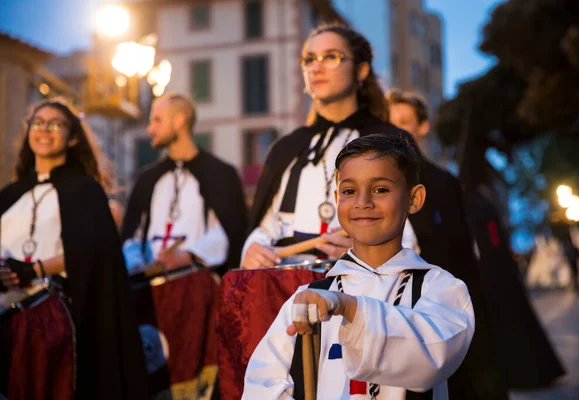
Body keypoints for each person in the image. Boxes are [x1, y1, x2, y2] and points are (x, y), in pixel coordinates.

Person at [243, 133, 475, 399]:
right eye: (349, 191)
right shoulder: (307, 297)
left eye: (381, 189)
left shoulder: (442, 289)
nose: (363, 202)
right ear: (336, 198)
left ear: (414, 199)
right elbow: (262, 383)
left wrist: (350, 307)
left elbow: (434, 357)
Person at [389, 89, 565, 389]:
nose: (398, 130)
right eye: (391, 123)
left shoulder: (445, 184)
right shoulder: (384, 183)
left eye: (405, 121)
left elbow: (460, 260)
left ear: (423, 126)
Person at [0, 98, 149, 399]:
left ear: (73, 138)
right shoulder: (10, 194)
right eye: (37, 123)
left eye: (56, 124)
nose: (44, 130)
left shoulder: (85, 191)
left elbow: (93, 254)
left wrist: (33, 269)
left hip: (56, 321)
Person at [242, 24, 413, 270]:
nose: (317, 67)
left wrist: (373, 250)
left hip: (362, 290)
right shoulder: (288, 147)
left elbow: (414, 230)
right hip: (286, 291)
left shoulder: (391, 141)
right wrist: (253, 248)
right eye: (309, 60)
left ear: (361, 69)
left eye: (331, 57)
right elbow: (268, 225)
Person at [121, 92, 247, 275]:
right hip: (149, 291)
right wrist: (138, 266)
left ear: (180, 121)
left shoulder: (221, 174)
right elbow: (131, 235)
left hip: (199, 288)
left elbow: (230, 232)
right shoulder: (147, 179)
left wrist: (190, 256)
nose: (150, 129)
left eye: (157, 120)